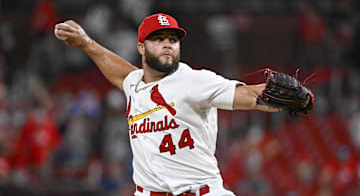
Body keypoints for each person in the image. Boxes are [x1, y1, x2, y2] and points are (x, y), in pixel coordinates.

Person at [54, 12, 281, 196]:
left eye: (172, 40)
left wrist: (292, 99)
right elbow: (121, 74)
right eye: (158, 39)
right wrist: (86, 44)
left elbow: (249, 95)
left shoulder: (194, 80)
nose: (167, 45)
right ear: (141, 47)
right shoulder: (135, 83)